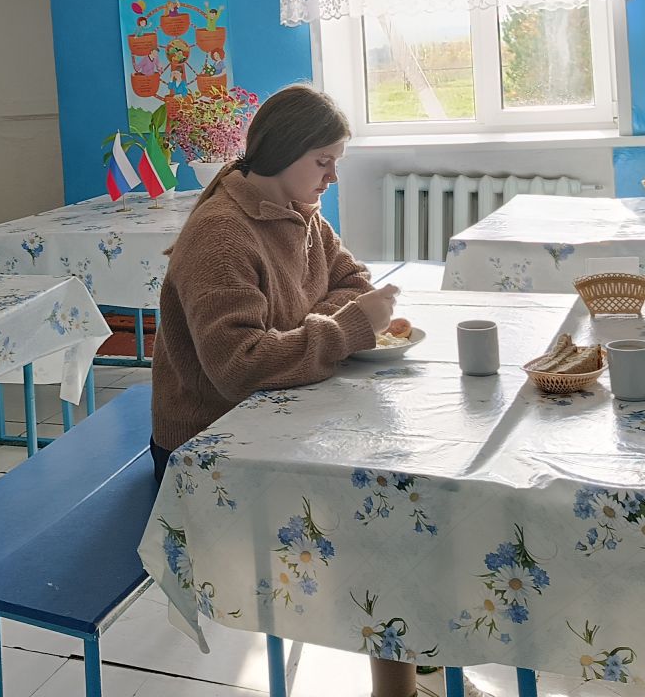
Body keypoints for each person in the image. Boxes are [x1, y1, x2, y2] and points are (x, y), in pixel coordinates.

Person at [151, 86, 458, 697]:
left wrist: (304, 333)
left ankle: (417, 663)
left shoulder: (298, 209)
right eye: (324, 161)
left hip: (272, 411)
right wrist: (341, 329)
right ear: (282, 151)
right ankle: (408, 672)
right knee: (387, 511)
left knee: (411, 481)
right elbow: (239, 366)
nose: (333, 177)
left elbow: (354, 282)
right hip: (209, 451)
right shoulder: (221, 234)